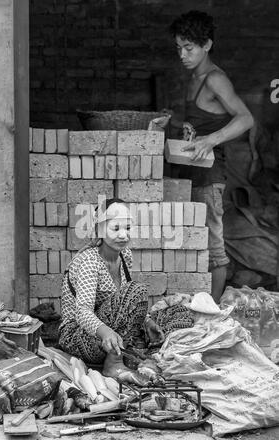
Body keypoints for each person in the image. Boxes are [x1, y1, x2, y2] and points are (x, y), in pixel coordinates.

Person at [168, 10, 254, 303]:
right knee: (193, 240)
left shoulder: (215, 79)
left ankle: (213, 312)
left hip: (211, 177)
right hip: (190, 173)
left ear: (206, 45)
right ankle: (196, 304)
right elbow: (200, 124)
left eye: (189, 47)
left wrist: (213, 139)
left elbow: (245, 118)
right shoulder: (194, 78)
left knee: (214, 248)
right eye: (179, 47)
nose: (182, 54)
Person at [59, 198, 164, 377]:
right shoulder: (90, 261)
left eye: (128, 228)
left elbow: (124, 302)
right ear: (100, 229)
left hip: (112, 335)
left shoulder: (125, 255)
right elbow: (82, 312)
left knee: (175, 315)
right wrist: (106, 332)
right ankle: (113, 363)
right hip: (82, 337)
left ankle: (123, 351)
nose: (123, 235)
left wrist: (147, 322)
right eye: (115, 228)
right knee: (137, 290)